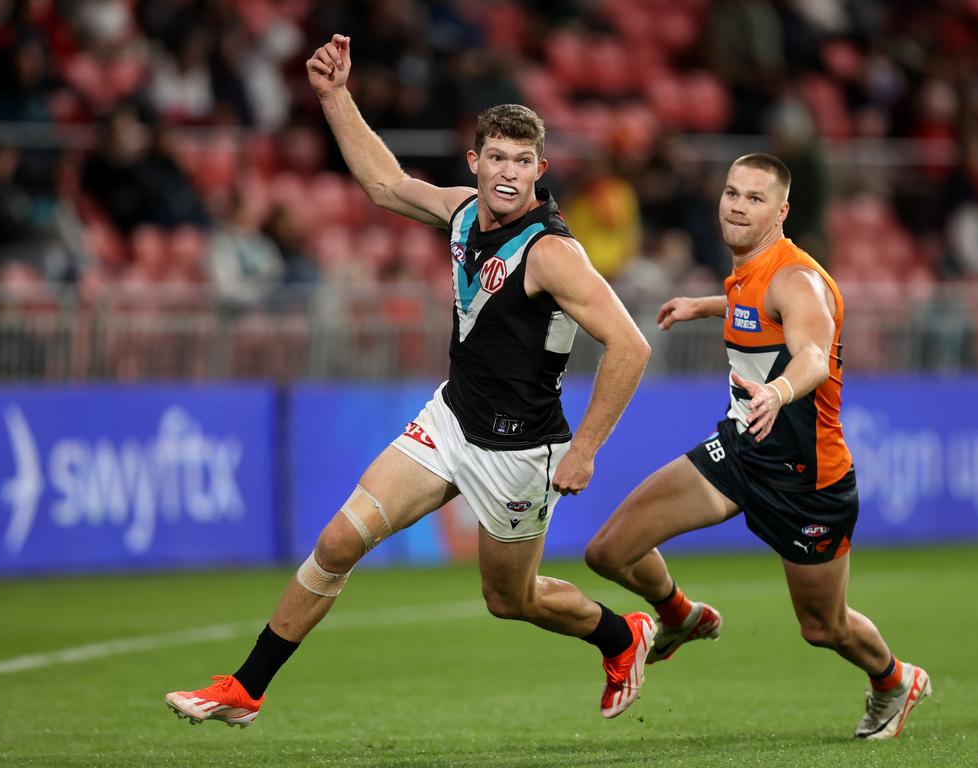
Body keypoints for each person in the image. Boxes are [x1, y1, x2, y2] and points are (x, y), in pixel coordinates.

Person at [165, 33, 655, 727]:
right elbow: (383, 182)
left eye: (523, 160)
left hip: (520, 452)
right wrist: (334, 96)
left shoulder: (554, 254)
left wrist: (585, 450)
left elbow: (631, 347)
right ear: (475, 162)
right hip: (451, 420)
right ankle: (246, 690)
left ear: (540, 168)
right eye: (496, 158)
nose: (508, 172)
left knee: (509, 600)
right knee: (338, 543)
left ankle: (620, 635)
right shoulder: (459, 212)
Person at [584, 153, 931, 741]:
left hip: (807, 481)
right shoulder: (750, 270)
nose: (738, 206)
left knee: (824, 628)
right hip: (742, 451)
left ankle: (895, 681)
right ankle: (680, 616)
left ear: (782, 211)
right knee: (609, 552)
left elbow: (815, 356)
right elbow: (754, 307)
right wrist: (705, 307)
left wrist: (778, 390)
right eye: (732, 193)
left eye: (755, 198)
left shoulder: (797, 280)